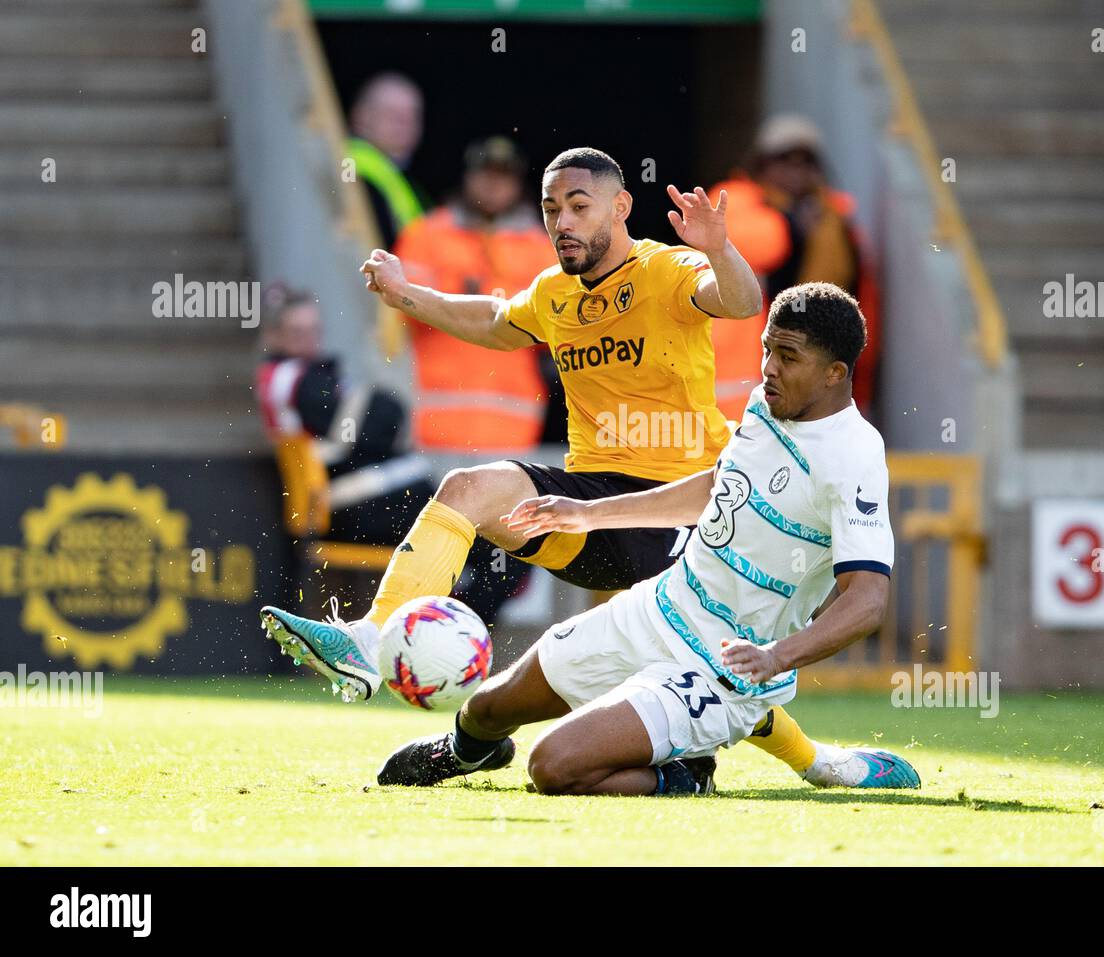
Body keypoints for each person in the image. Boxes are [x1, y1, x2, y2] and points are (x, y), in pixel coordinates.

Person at [260, 147, 893, 789]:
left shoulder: (667, 270)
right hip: (590, 507)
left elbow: (735, 298)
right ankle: (371, 646)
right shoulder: (556, 294)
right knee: (469, 489)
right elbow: (497, 321)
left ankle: (802, 761)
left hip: (681, 507)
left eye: (578, 206)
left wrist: (719, 248)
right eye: (551, 209)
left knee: (703, 649)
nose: (562, 221)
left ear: (620, 208)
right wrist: (407, 295)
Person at [376, 283, 920, 795]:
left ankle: (684, 777)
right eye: (767, 349)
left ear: (835, 373)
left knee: (554, 765)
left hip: (721, 669)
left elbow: (867, 602)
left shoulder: (854, 457)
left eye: (789, 356)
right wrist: (589, 513)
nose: (769, 368)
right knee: (487, 709)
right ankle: (468, 753)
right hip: (658, 610)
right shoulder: (767, 404)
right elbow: (718, 485)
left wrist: (775, 658)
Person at [254, 285, 525, 623]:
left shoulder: (299, 376)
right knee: (507, 547)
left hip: (369, 501)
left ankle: (440, 628)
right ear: (273, 335)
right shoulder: (290, 378)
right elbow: (377, 423)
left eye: (313, 331)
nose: (309, 341)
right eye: (297, 332)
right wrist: (381, 406)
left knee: (500, 543)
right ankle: (443, 634)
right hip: (357, 507)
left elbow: (369, 427)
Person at [707, 115, 881, 420]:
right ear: (761, 165)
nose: (794, 172)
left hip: (815, 372)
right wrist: (792, 223)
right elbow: (751, 245)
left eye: (805, 162)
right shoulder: (733, 198)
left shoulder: (833, 217)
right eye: (783, 161)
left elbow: (852, 290)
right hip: (741, 382)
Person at [393, 137, 557, 452]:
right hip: (431, 425)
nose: (494, 185)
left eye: (504, 176)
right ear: (467, 176)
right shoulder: (426, 234)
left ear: (518, 183)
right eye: (486, 173)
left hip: (513, 427)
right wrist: (504, 305)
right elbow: (403, 306)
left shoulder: (541, 246)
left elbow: (556, 324)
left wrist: (465, 300)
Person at [348, 73, 429, 248]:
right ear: (360, 116)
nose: (404, 123)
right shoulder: (350, 164)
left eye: (412, 115)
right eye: (392, 114)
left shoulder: (394, 175)